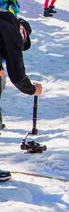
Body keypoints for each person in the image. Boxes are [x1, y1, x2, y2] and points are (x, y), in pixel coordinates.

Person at [0, 12, 42, 182]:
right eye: (24, 39)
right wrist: (32, 89)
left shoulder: (3, 20)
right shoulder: (13, 32)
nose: (22, 42)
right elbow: (17, 74)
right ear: (22, 29)